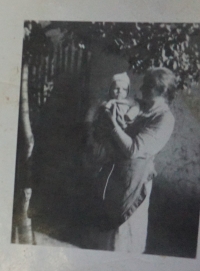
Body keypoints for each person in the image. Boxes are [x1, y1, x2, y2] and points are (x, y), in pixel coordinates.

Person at [83, 67, 177, 252]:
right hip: (114, 177)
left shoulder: (164, 119)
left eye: (146, 86)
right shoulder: (141, 107)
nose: (140, 89)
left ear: (159, 90)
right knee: (105, 236)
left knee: (123, 237)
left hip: (134, 183)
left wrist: (112, 125)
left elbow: (134, 149)